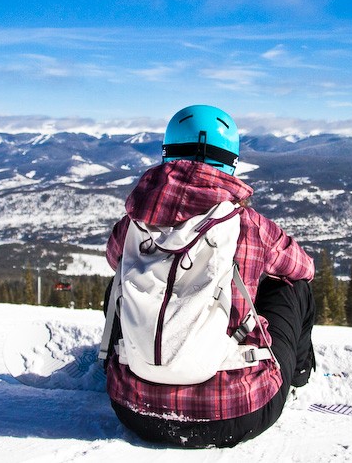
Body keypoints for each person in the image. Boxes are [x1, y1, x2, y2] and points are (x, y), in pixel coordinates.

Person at [103, 104, 316, 448]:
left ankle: (127, 364)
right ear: (230, 161)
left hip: (132, 409)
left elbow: (113, 260)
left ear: (166, 153)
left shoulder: (134, 222)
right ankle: (298, 374)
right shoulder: (250, 225)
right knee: (292, 286)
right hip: (236, 412)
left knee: (123, 278)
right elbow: (304, 268)